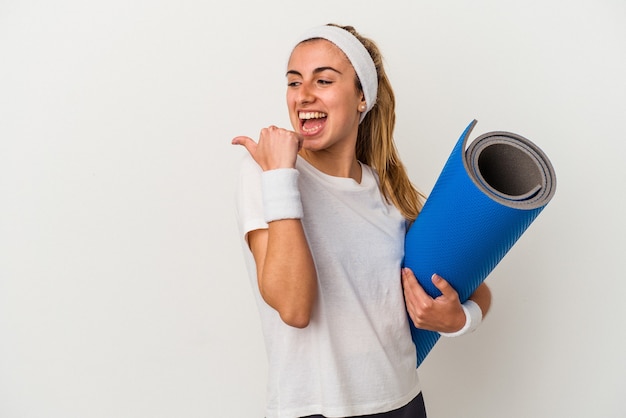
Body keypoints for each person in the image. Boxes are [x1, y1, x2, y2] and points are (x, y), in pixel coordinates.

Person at [232, 23, 492, 418]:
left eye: (323, 80)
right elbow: (294, 308)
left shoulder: (387, 193)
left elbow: (475, 284)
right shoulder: (265, 173)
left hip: (401, 402)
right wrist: (280, 175)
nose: (303, 95)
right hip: (313, 408)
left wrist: (460, 319)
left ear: (361, 98)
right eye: (293, 81)